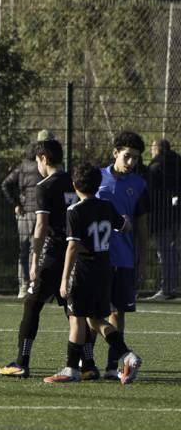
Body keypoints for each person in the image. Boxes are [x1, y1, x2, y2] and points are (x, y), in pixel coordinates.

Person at [44, 162, 142, 384]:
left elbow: (73, 246)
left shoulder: (74, 210)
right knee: (96, 320)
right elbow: (124, 226)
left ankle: (71, 369)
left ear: (75, 185)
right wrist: (126, 221)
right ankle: (127, 355)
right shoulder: (106, 206)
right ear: (98, 185)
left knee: (77, 318)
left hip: (84, 270)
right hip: (104, 270)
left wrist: (64, 279)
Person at [0, 139, 78, 379]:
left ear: (43, 159)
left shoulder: (45, 186)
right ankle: (86, 362)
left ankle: (22, 362)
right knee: (74, 309)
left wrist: (34, 259)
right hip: (74, 251)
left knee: (32, 303)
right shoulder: (74, 182)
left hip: (53, 252)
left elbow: (41, 226)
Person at [89, 131, 150, 380]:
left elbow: (142, 226)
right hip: (95, 257)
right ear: (115, 153)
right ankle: (87, 362)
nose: (131, 162)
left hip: (124, 259)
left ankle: (113, 366)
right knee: (91, 311)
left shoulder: (139, 185)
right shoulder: (96, 178)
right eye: (127, 156)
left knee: (118, 312)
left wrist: (143, 260)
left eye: (136, 158)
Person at [1, 130, 52, 298]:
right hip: (43, 212)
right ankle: (37, 286)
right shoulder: (51, 165)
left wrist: (16, 203)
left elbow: (6, 184)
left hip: (26, 213)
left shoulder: (23, 165)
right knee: (41, 250)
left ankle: (24, 286)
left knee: (26, 250)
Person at [146, 138, 181, 300]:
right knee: (173, 252)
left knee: (164, 253)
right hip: (178, 214)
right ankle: (172, 287)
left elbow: (151, 195)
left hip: (161, 217)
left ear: (156, 150)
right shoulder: (178, 164)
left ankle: (167, 288)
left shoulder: (154, 167)